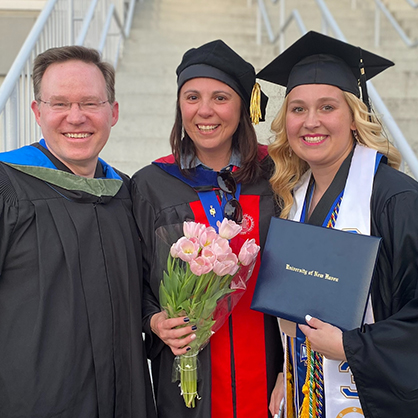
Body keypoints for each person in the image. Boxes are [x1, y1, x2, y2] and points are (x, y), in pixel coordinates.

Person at [257, 31, 418, 418]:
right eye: (297, 109)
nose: (310, 122)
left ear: (354, 116)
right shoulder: (290, 197)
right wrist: (285, 370)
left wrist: (353, 348)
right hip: (304, 394)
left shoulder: (395, 199)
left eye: (327, 107)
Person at [0, 45, 156, 417]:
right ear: (37, 112)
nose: (76, 117)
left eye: (90, 103)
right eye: (60, 104)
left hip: (126, 401)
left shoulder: (127, 193)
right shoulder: (8, 189)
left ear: (113, 112)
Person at [131, 39, 283, 418]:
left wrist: (288, 368)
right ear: (179, 105)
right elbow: (131, 278)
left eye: (220, 97)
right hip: (187, 381)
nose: (205, 111)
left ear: (243, 107)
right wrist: (154, 321)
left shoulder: (277, 178)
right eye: (192, 97)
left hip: (270, 375)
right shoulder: (150, 184)